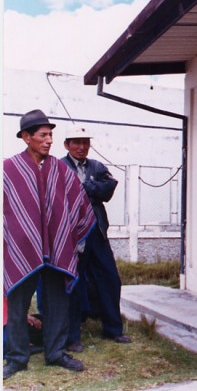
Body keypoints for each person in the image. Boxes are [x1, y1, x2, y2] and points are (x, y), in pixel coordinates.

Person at [4, 110, 95, 379]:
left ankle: (55, 352)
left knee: (57, 302)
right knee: (18, 303)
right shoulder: (8, 169)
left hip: (57, 247)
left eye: (51, 135)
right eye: (43, 135)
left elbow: (78, 203)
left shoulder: (60, 168)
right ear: (26, 137)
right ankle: (17, 357)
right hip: (22, 247)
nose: (48, 141)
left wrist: (69, 239)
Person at [62, 125, 131, 352]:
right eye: (76, 142)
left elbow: (108, 189)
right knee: (72, 283)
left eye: (85, 142)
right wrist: (92, 189)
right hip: (71, 236)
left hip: (97, 232)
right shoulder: (59, 166)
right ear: (67, 145)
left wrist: (87, 187)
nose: (82, 147)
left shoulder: (97, 166)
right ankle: (72, 337)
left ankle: (113, 329)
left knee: (110, 278)